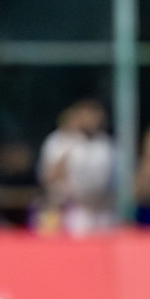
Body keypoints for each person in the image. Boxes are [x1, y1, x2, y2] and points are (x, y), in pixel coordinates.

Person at [37, 99, 116, 235]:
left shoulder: (106, 145)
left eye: (95, 116)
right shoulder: (59, 141)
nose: (91, 120)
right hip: (72, 210)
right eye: (87, 116)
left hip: (102, 211)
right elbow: (48, 177)